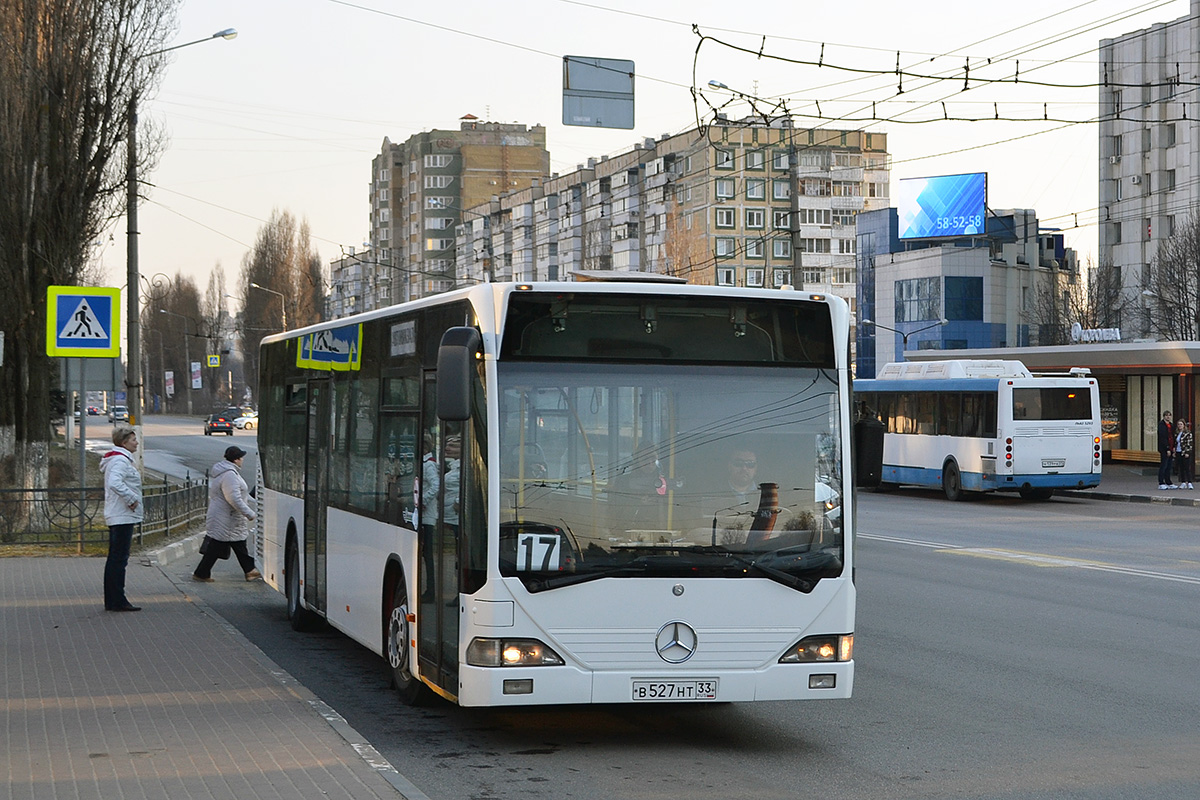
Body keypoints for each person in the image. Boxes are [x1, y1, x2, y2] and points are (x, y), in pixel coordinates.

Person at [192, 446, 261, 582]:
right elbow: (233, 498)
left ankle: (202, 573)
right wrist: (249, 513)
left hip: (225, 517)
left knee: (225, 545)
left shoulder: (228, 472)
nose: (242, 460)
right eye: (241, 458)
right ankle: (249, 570)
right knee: (230, 544)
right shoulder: (230, 475)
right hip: (227, 517)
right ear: (236, 460)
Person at [101, 425, 143, 612]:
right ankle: (117, 600)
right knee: (119, 559)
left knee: (116, 559)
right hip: (121, 514)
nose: (137, 443)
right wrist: (131, 498)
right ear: (124, 442)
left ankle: (114, 599)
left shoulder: (119, 459)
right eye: (133, 440)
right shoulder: (120, 461)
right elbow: (114, 483)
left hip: (120, 514)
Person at [1158, 410, 1176, 490]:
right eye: (1166, 415)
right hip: (1164, 448)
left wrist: (1174, 447)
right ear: (1164, 416)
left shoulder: (1171, 425)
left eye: (1169, 415)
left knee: (1169, 466)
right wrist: (1167, 448)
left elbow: (1173, 436)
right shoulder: (1161, 425)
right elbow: (1163, 438)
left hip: (1171, 447)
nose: (1168, 417)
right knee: (1164, 465)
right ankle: (1161, 482)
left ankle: (1168, 482)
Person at [1177, 419, 1194, 490]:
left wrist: (1187, 452)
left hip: (1185, 452)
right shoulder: (1177, 433)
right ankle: (1183, 482)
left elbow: (1189, 443)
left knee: (1187, 467)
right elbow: (1176, 442)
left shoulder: (1187, 433)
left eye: (1181, 424)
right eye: (1178, 424)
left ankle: (1189, 482)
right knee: (1181, 468)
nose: (1179, 426)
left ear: (1184, 425)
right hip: (1178, 451)